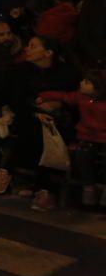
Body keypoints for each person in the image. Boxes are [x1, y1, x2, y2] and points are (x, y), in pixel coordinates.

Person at [37, 72, 106, 208]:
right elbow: (63, 96)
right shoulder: (81, 97)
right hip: (87, 136)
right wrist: (44, 96)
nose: (81, 83)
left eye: (87, 82)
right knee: (82, 155)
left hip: (104, 136)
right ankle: (88, 186)